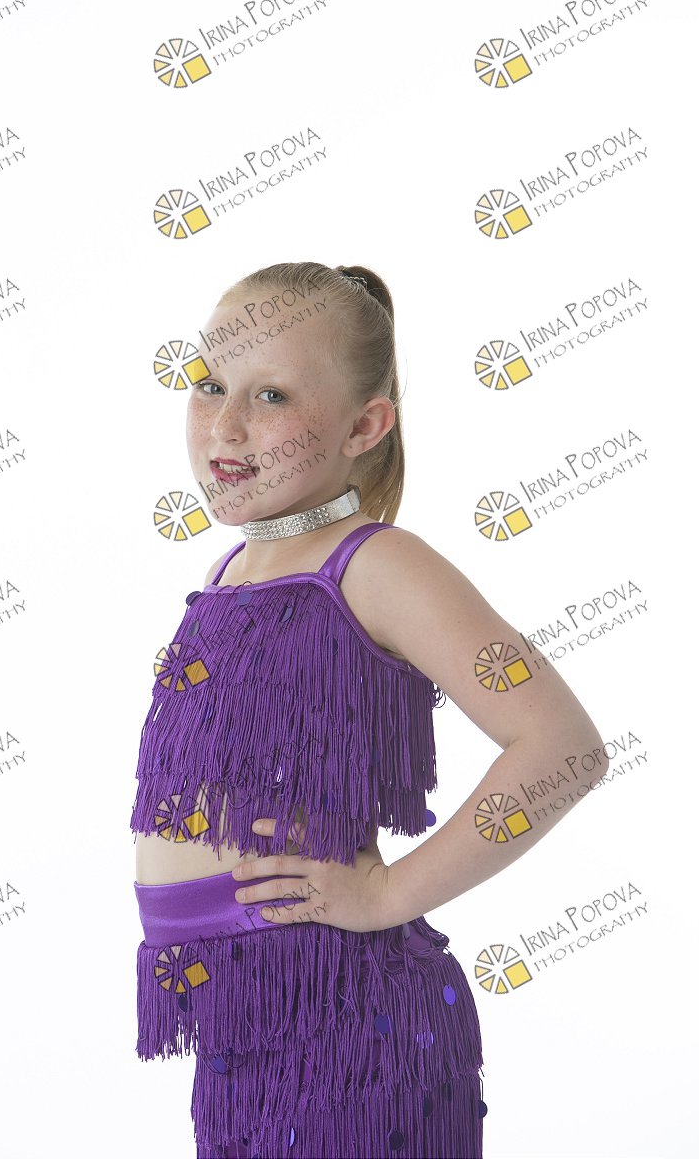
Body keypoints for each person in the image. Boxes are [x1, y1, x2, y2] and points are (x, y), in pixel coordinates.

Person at [131, 261, 608, 1158]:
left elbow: (563, 746)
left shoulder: (377, 566)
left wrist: (388, 892)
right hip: (243, 1022)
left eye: (271, 395)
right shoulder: (229, 573)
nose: (225, 424)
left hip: (349, 1024)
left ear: (365, 426)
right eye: (209, 383)